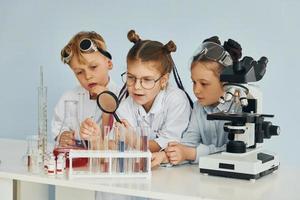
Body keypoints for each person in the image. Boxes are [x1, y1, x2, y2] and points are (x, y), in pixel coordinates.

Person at [152, 36, 242, 167]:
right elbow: (189, 143)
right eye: (194, 82)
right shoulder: (198, 107)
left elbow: (233, 151)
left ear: (226, 82)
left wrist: (191, 154)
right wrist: (165, 156)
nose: (196, 90)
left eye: (204, 84)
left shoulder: (239, 108)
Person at [115, 30, 192, 153]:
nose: (137, 87)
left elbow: (171, 143)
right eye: (131, 77)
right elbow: (120, 146)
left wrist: (135, 142)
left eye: (146, 79)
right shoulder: (125, 105)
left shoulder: (176, 100)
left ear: (163, 80)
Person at [51, 31, 119, 147]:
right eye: (79, 72)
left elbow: (116, 140)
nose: (87, 76)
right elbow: (58, 126)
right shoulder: (69, 97)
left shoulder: (123, 95)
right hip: (78, 162)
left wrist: (106, 101)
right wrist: (62, 136)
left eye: (93, 67)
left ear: (109, 63)